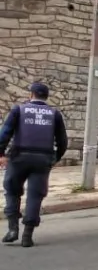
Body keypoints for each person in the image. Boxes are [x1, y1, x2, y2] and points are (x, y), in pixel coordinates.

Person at [0, 82, 68, 247]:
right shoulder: (55, 114)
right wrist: (55, 158)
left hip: (19, 157)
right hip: (42, 160)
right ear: (46, 97)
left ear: (31, 95)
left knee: (12, 190)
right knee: (35, 195)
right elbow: (62, 141)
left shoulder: (19, 110)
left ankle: (12, 230)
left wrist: (1, 154)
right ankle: (27, 236)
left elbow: (5, 133)